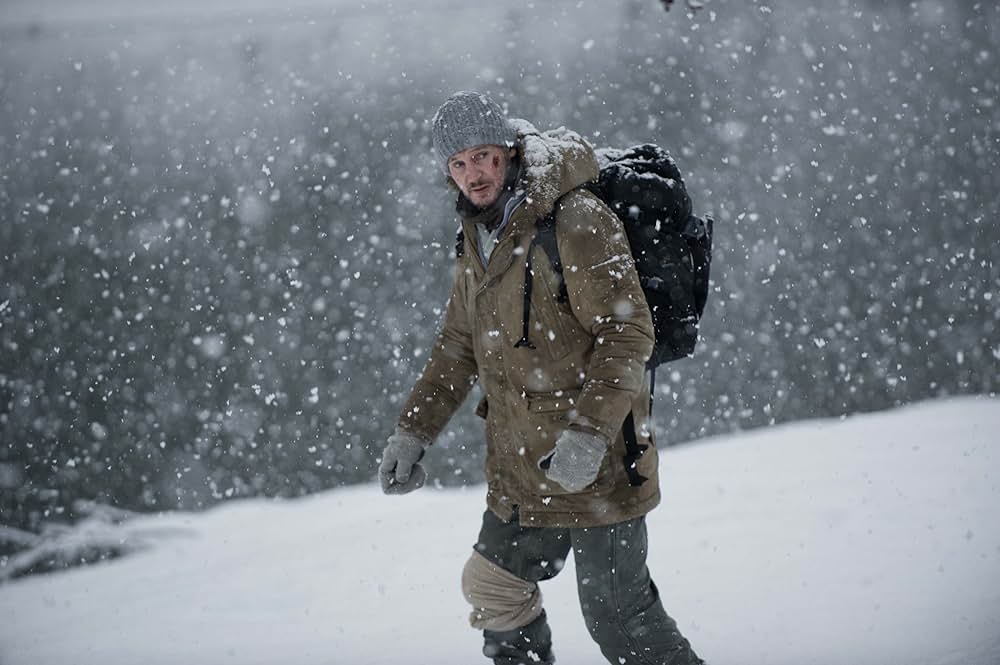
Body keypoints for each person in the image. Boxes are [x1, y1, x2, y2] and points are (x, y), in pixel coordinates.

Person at [378, 91, 703, 665]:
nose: (473, 174)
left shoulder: (573, 219)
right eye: (458, 163)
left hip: (600, 465)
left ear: (507, 151)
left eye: (482, 156)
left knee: (620, 622)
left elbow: (628, 332)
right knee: (494, 590)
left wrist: (588, 435)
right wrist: (413, 431)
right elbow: (458, 346)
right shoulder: (478, 234)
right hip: (524, 467)